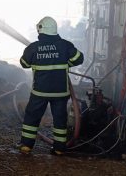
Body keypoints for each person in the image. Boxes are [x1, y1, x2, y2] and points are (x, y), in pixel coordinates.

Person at [19, 16, 84, 155]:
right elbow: (79, 58)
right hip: (60, 92)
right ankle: (60, 149)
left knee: (32, 117)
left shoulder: (33, 47)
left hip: (39, 92)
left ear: (41, 30)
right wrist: (66, 63)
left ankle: (26, 146)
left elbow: (24, 63)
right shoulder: (65, 45)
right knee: (60, 119)